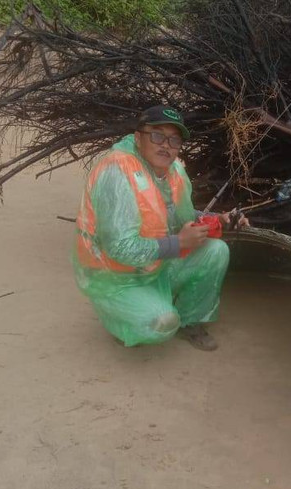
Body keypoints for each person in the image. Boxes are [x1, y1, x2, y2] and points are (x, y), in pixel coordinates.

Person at [73, 105, 246, 350]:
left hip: (154, 265)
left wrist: (220, 218)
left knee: (216, 250)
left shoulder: (172, 171)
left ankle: (190, 321)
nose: (166, 145)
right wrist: (178, 243)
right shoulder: (117, 172)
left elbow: (180, 216)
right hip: (115, 276)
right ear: (138, 137)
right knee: (162, 323)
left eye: (174, 140)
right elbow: (118, 247)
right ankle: (117, 317)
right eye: (157, 136)